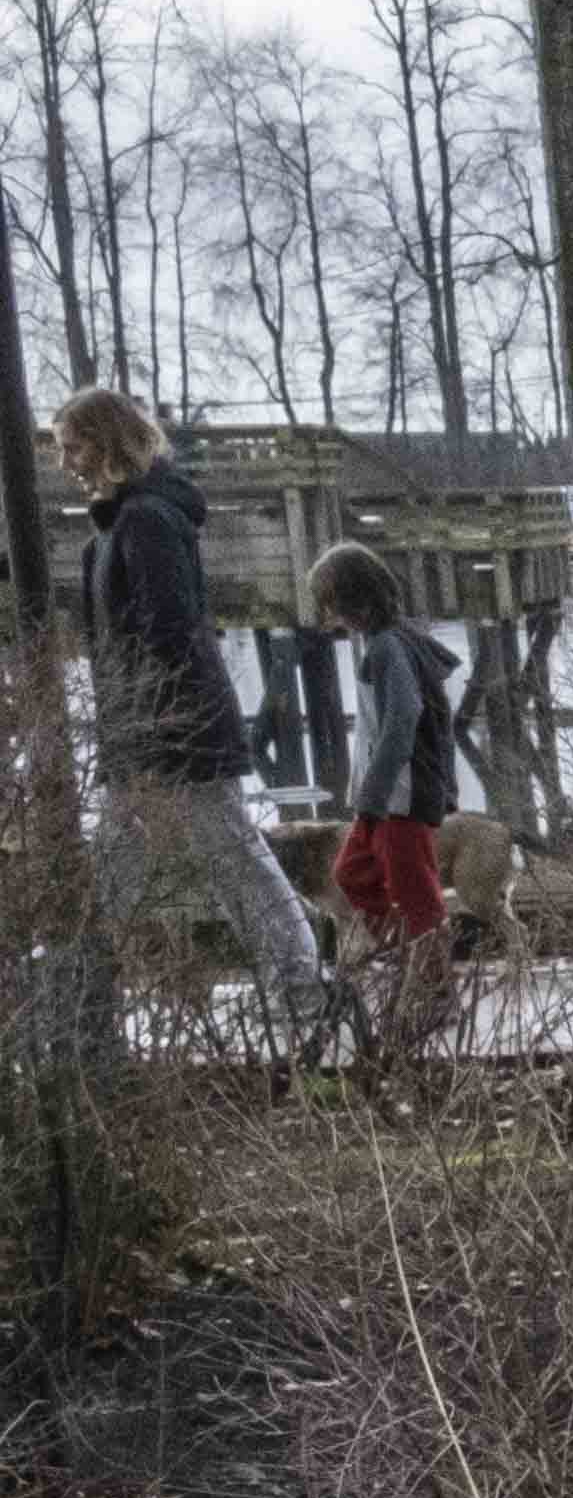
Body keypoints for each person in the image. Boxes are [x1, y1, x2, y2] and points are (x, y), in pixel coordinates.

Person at [60, 390, 333, 1034]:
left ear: (108, 443)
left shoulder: (148, 521)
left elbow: (172, 632)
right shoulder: (118, 527)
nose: (64, 460)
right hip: (143, 732)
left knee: (232, 858)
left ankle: (301, 995)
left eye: (73, 445)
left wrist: (160, 722)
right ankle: (82, 1006)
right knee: (128, 867)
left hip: (175, 731)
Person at [305, 543, 465, 1049]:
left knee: (418, 895)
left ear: (356, 601)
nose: (325, 614)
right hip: (380, 798)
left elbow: (403, 720)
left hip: (399, 797)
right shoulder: (382, 642)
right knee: (351, 874)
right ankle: (415, 957)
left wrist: (373, 790)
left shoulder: (389, 648)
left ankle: (438, 992)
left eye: (329, 602)